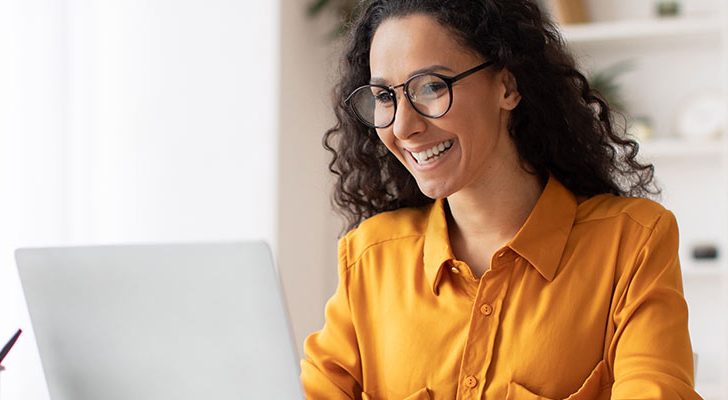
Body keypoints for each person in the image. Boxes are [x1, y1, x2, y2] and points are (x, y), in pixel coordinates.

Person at [301, 0, 703, 399]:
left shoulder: (630, 242)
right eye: (385, 97)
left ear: (507, 87)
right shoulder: (370, 257)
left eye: (431, 87)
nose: (404, 127)